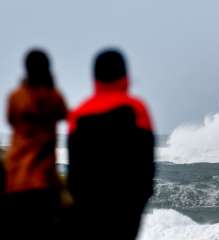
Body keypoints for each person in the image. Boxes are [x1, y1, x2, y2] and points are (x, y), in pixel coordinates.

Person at [67, 49, 155, 239]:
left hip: (89, 206)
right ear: (125, 75)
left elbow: (74, 170)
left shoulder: (79, 114)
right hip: (127, 206)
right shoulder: (137, 109)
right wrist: (141, 197)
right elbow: (146, 162)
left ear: (95, 77)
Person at [1, 49, 67, 239]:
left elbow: (11, 118)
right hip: (43, 181)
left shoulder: (16, 97)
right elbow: (63, 113)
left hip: (16, 178)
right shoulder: (53, 97)